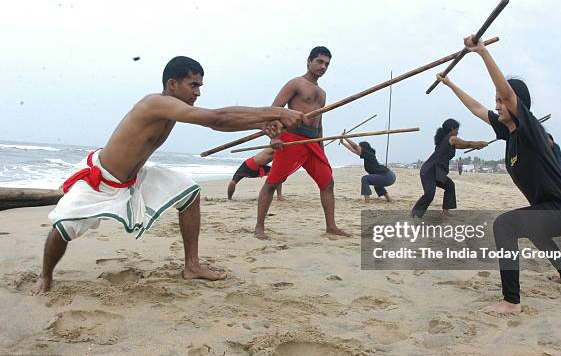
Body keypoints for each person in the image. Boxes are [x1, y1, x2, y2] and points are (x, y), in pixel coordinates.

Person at [31, 56, 306, 295]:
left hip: (135, 177)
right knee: (64, 227)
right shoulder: (156, 103)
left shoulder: (175, 109)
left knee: (190, 193)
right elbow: (217, 119)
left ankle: (192, 266)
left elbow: (219, 120)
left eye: (200, 86)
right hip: (101, 179)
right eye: (193, 85)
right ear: (172, 84)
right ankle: (45, 275)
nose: (198, 92)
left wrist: (265, 121)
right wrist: (277, 112)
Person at [436, 36, 561, 314]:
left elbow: (507, 91)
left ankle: (511, 301)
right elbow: (477, 109)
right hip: (551, 208)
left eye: (501, 101)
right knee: (537, 232)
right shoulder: (508, 132)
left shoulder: (530, 130)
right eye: (497, 101)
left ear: (516, 105)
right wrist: (450, 83)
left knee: (504, 225)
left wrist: (482, 53)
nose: (497, 105)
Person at [254, 46, 350, 239]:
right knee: (272, 183)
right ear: (309, 61)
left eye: (327, 64)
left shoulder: (322, 93)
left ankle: (331, 226)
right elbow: (273, 111)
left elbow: (319, 122)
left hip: (313, 141)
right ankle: (259, 228)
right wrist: (274, 138)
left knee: (327, 182)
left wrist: (321, 149)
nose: (323, 67)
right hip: (291, 140)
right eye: (320, 62)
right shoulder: (296, 83)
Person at [411, 118, 487, 218]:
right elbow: (468, 143)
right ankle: (414, 214)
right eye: (457, 129)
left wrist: (476, 147)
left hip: (437, 171)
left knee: (450, 186)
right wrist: (481, 143)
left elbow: (463, 146)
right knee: (429, 194)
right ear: (452, 129)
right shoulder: (451, 138)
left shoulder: (448, 140)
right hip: (429, 170)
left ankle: (445, 212)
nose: (458, 131)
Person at [340, 138, 395, 203]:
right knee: (377, 184)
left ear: (364, 148)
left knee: (365, 179)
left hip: (387, 176)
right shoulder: (367, 154)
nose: (358, 148)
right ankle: (389, 199)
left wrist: (345, 137)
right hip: (388, 176)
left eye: (360, 147)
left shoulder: (369, 154)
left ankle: (367, 201)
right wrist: (343, 143)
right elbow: (353, 150)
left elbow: (355, 146)